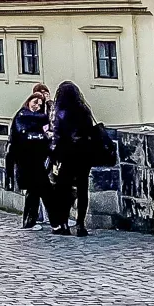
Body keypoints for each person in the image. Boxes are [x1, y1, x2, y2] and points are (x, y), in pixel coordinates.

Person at [46, 82, 99, 235]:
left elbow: (56, 137)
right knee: (82, 190)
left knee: (64, 190)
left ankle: (63, 224)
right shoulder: (84, 111)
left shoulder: (60, 112)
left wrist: (52, 154)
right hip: (84, 154)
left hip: (66, 155)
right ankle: (80, 224)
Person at [5, 85, 52, 230]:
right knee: (41, 191)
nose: (37, 106)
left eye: (40, 104)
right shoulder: (23, 115)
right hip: (26, 162)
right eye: (35, 102)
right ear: (28, 101)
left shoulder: (37, 120)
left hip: (37, 162)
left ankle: (36, 222)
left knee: (38, 192)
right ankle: (51, 222)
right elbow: (41, 122)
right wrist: (49, 106)